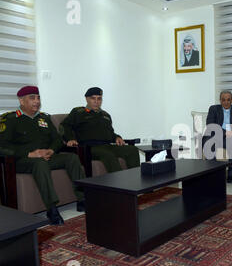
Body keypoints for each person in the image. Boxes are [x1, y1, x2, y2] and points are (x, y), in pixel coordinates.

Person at [0, 86, 86, 225]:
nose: (37, 101)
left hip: (46, 156)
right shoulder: (10, 119)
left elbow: (57, 139)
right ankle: (51, 208)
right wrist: (30, 154)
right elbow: (2, 146)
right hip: (22, 161)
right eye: (32, 98)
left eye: (38, 97)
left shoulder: (44, 118)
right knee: (40, 163)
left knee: (71, 158)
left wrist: (51, 150)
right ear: (21, 101)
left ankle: (82, 199)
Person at [60, 87, 140, 173]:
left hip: (107, 145)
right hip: (89, 147)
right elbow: (64, 126)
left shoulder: (105, 115)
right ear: (87, 99)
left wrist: (117, 137)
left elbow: (110, 133)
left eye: (99, 99)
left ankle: (135, 179)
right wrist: (70, 139)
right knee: (108, 155)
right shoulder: (78, 112)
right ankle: (119, 184)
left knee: (132, 150)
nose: (96, 101)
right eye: (93, 98)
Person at [203, 90, 232, 186]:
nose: (226, 102)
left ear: (231, 100)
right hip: (214, 136)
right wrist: (227, 133)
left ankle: (231, 176)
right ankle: (214, 176)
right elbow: (210, 125)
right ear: (220, 100)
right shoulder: (213, 109)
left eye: (228, 100)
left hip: (228, 139)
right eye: (223, 100)